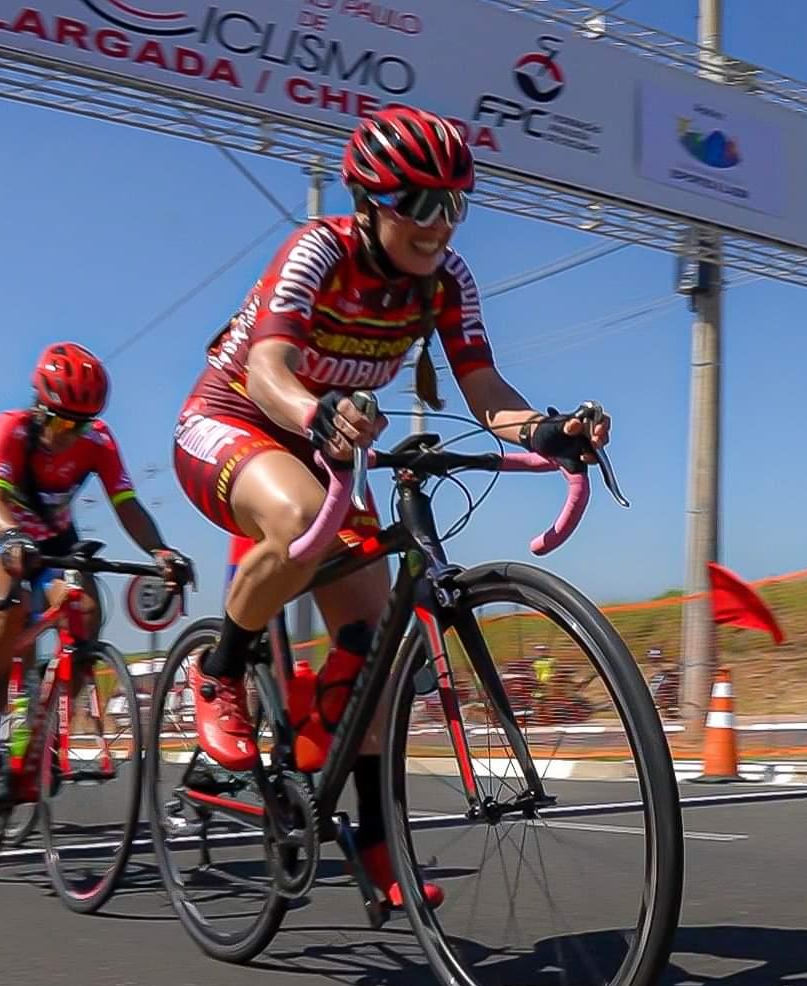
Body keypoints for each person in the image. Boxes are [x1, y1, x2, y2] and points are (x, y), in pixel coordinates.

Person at [173, 104, 611, 909]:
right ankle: (219, 668)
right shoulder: (318, 251)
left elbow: (484, 389)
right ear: (369, 201)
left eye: (454, 204)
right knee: (311, 519)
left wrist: (549, 428)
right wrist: (315, 414)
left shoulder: (448, 282)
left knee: (374, 654)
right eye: (418, 203)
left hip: (334, 440)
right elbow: (269, 368)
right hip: (237, 418)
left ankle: (374, 844)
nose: (438, 224)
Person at [0, 342, 187, 802]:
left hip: (51, 539)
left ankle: (46, 710)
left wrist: (161, 550)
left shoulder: (98, 441)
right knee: (8, 607)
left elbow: (127, 505)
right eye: (62, 421)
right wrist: (10, 538)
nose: (70, 433)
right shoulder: (10, 428)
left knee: (85, 608)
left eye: (79, 424)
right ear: (39, 408)